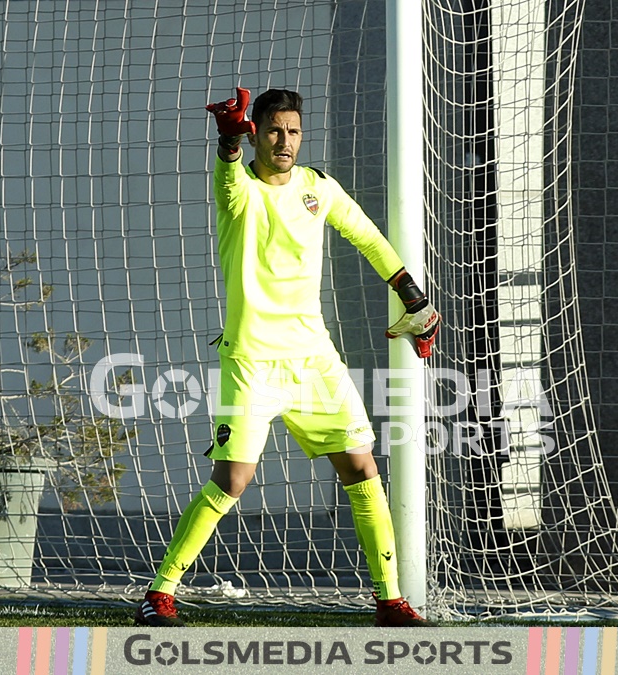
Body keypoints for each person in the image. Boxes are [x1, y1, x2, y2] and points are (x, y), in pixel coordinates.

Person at [134, 87, 440, 627]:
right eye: (274, 130)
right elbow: (229, 166)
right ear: (257, 132)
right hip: (251, 360)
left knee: (363, 466)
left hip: (314, 358)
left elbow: (366, 236)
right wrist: (229, 136)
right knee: (233, 479)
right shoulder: (239, 190)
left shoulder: (317, 188)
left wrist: (412, 297)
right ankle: (159, 594)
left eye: (294, 130)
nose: (285, 140)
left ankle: (389, 601)